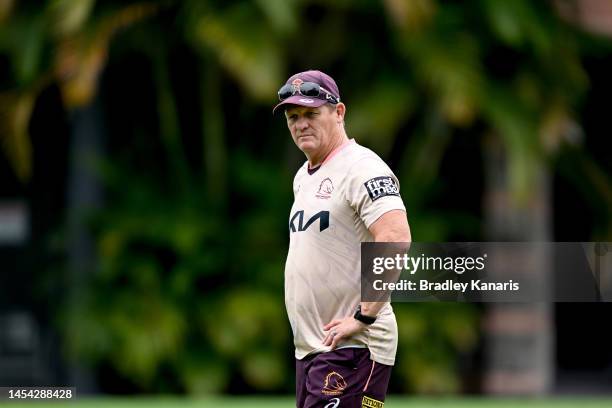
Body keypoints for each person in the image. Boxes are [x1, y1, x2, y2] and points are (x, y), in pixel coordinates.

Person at [274, 70, 411, 408]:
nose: (300, 124)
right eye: (293, 117)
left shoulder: (362, 168)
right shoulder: (303, 177)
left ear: (339, 112)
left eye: (311, 114)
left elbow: (394, 237)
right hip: (313, 349)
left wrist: (364, 316)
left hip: (355, 347)